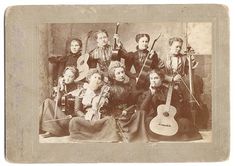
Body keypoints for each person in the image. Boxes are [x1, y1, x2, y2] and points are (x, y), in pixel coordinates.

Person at [138, 69, 202, 141]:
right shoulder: (146, 93)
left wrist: (171, 117)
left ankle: (167, 133)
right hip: (154, 119)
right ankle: (166, 134)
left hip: (170, 117)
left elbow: (178, 108)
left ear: (161, 79)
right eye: (151, 78)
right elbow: (142, 109)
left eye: (156, 78)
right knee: (148, 122)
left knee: (185, 123)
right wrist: (150, 94)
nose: (153, 80)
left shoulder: (170, 91)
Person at [163, 37, 208, 128]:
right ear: (170, 46)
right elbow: (160, 74)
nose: (178, 49)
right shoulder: (163, 58)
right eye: (176, 47)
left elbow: (189, 74)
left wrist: (191, 64)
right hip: (168, 84)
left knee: (188, 95)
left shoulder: (184, 58)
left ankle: (190, 120)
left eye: (180, 47)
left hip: (183, 83)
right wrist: (172, 79)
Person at [69, 69, 120, 142]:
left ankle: (100, 135)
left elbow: (109, 108)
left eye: (99, 78)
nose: (97, 80)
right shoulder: (82, 91)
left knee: (110, 120)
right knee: (73, 121)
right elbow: (77, 110)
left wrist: (105, 99)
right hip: (86, 120)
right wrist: (84, 117)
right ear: (89, 78)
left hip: (99, 119)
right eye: (95, 77)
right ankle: (94, 135)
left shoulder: (103, 92)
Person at [105, 61, 149, 142]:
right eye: (118, 73)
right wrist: (116, 113)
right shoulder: (109, 89)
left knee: (140, 114)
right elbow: (108, 106)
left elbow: (132, 103)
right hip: (116, 114)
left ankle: (136, 135)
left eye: (122, 72)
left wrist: (129, 109)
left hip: (128, 111)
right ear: (113, 76)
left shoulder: (128, 86)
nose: (122, 75)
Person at [39, 66, 79, 138]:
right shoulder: (60, 87)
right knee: (46, 103)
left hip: (68, 119)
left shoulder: (78, 89)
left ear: (74, 78)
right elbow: (54, 105)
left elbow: (78, 110)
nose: (67, 78)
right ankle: (46, 129)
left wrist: (72, 116)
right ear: (63, 75)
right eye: (66, 75)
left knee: (47, 101)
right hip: (59, 118)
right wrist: (60, 90)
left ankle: (49, 130)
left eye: (71, 76)